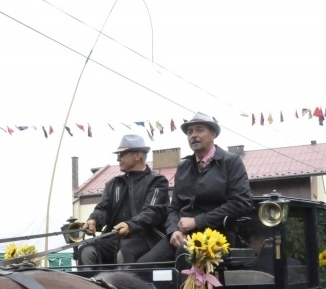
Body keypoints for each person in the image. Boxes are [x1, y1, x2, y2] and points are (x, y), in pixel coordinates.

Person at [137, 112, 252, 266]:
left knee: (185, 253)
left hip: (218, 234)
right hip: (183, 234)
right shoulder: (183, 166)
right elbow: (174, 208)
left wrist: (198, 221)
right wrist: (173, 231)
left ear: (213, 134)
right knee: (143, 266)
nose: (193, 135)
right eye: (190, 132)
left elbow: (241, 203)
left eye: (199, 130)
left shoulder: (231, 162)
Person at [77, 134, 169, 266]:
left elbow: (153, 212)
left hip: (146, 238)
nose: (118, 158)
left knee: (124, 252)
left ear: (138, 155)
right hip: (114, 238)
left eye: (122, 154)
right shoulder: (113, 184)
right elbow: (103, 208)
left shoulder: (157, 181)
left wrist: (130, 225)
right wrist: (94, 220)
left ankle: (122, 287)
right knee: (86, 250)